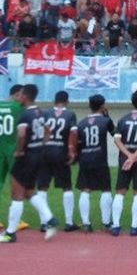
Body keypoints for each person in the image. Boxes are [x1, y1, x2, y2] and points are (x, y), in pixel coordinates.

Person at [0, 85, 58, 243]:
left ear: (25, 96)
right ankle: (50, 218)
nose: (17, 98)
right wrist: (41, 144)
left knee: (16, 194)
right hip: (37, 154)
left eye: (19, 95)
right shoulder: (40, 112)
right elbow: (48, 131)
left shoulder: (25, 115)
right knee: (29, 191)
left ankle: (10, 233)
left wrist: (19, 151)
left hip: (25, 157)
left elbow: (21, 134)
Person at [110, 90, 137, 236]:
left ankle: (116, 226)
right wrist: (134, 156)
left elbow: (116, 139)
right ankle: (134, 227)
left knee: (120, 191)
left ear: (131, 102)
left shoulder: (123, 119)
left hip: (124, 159)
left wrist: (128, 155)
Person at [37, 91, 79, 232]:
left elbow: (41, 132)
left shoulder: (45, 113)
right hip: (60, 152)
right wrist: (72, 151)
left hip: (45, 152)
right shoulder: (70, 114)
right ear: (67, 101)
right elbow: (73, 133)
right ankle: (68, 222)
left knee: (42, 187)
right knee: (66, 186)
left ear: (54, 100)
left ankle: (44, 222)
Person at [75, 94, 114, 233]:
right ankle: (106, 222)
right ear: (102, 106)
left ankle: (86, 223)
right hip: (100, 160)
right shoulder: (105, 121)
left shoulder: (82, 123)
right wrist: (107, 116)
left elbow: (77, 143)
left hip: (85, 159)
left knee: (85, 190)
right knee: (106, 189)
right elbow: (115, 133)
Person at [0, 85, 26, 231]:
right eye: (22, 95)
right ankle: (16, 220)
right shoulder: (18, 108)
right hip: (13, 150)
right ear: (17, 94)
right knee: (15, 184)